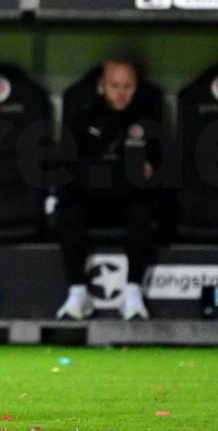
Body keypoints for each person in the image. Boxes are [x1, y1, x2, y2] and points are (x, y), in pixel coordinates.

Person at [56, 58, 163, 321]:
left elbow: (158, 165)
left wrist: (148, 168)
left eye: (128, 86)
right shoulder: (83, 118)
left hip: (127, 198)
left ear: (136, 87)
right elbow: (67, 165)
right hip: (90, 198)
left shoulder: (147, 121)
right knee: (69, 211)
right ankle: (77, 294)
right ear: (102, 85)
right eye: (115, 85)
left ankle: (133, 294)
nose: (121, 92)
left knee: (142, 211)